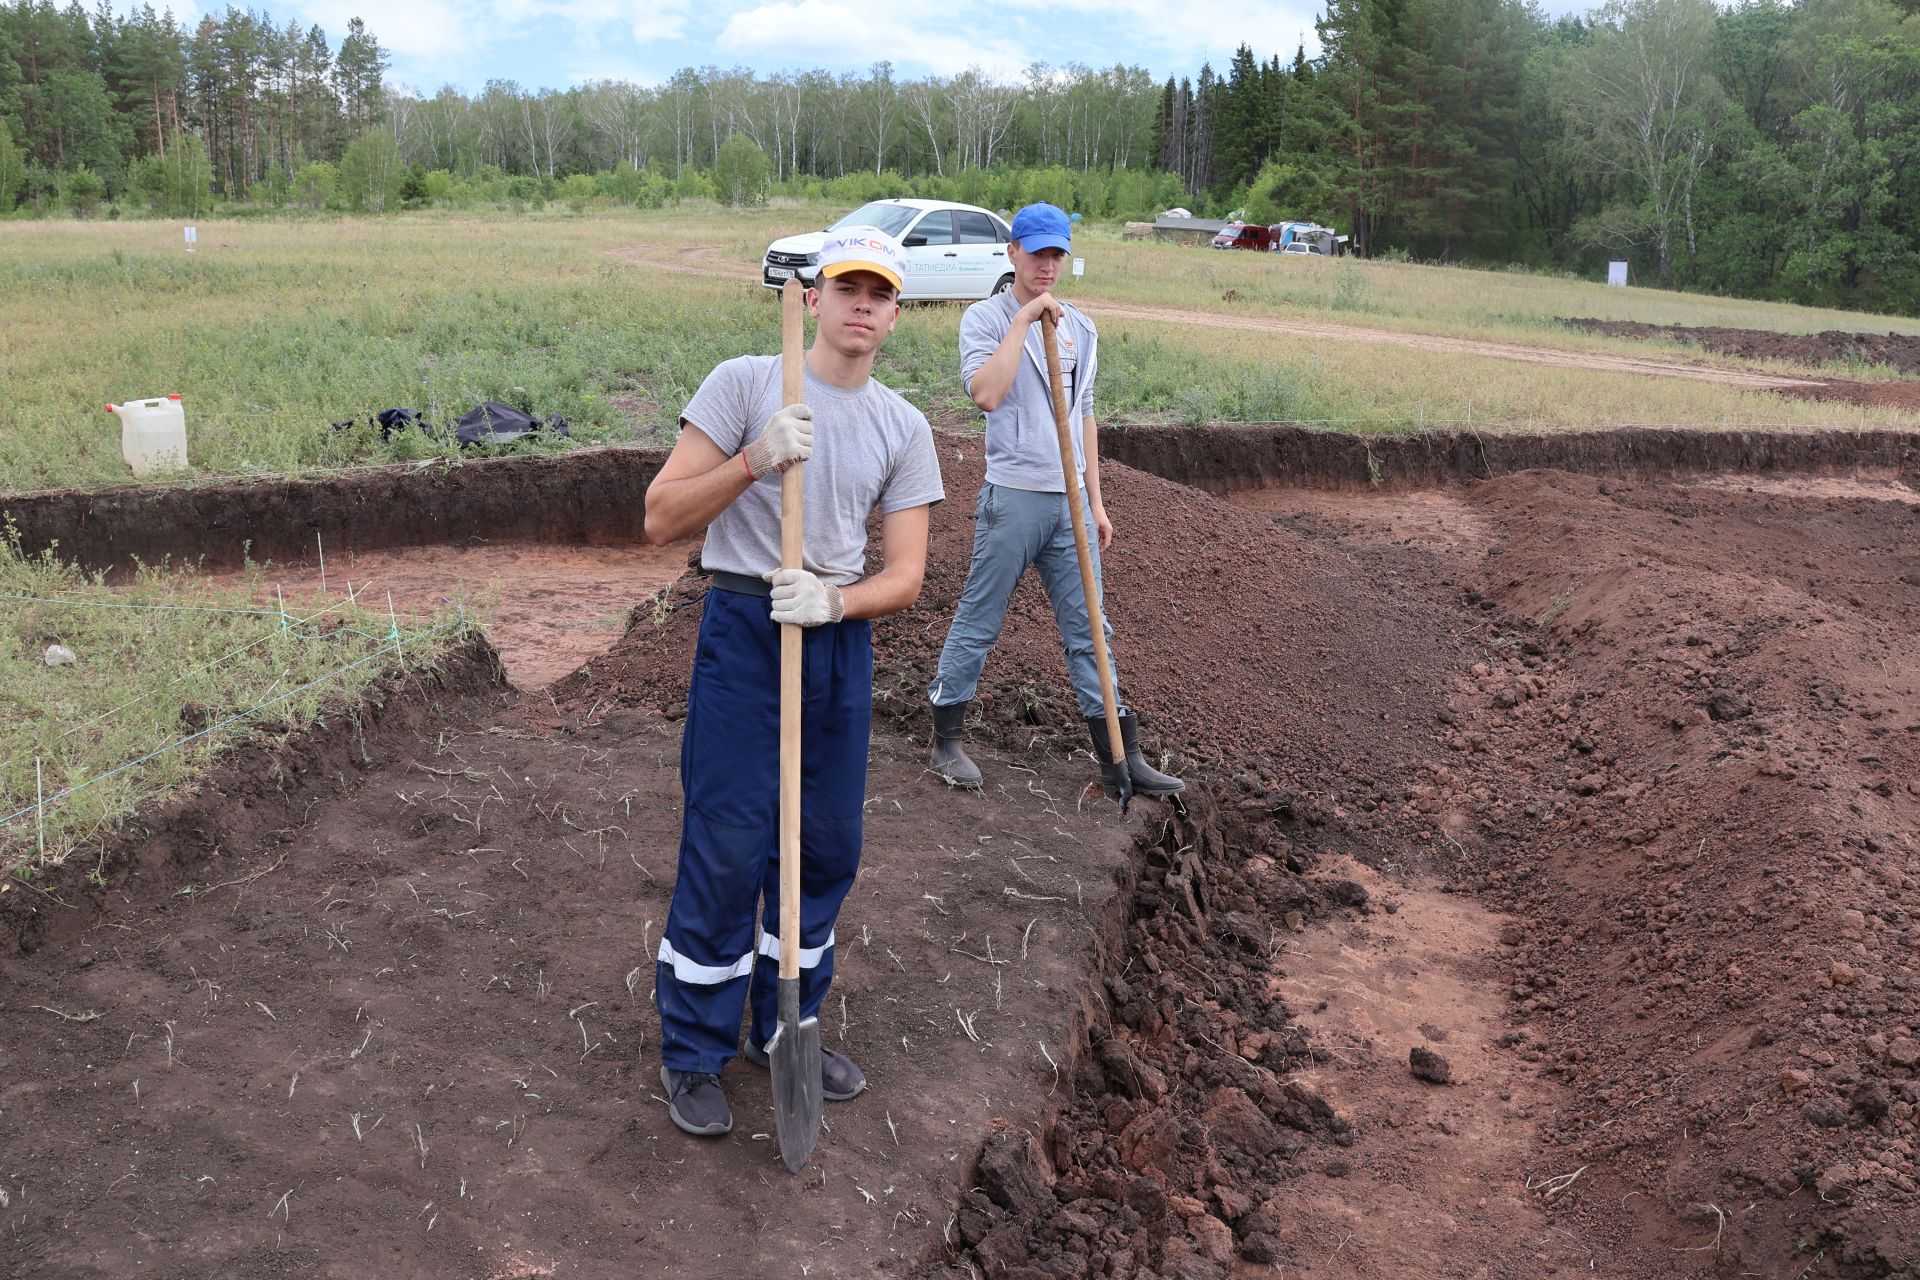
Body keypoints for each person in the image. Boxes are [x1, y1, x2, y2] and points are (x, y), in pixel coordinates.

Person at [640, 227, 943, 1138]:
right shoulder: (743, 385)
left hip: (834, 640)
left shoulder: (903, 426)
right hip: (745, 627)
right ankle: (694, 1048)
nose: (863, 304)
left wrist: (836, 601)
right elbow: (659, 517)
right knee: (731, 840)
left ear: (896, 312)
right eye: (847, 286)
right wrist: (753, 459)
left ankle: (786, 1026)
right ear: (813, 297)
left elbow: (908, 576)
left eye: (880, 293)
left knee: (824, 845)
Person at [925, 202, 1183, 800]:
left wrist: (1095, 502)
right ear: (1012, 252)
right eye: (1036, 252)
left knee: (1091, 629)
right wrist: (1023, 323)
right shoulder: (984, 320)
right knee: (979, 619)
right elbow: (986, 394)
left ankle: (1121, 758)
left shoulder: (1082, 330)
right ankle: (946, 736)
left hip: (1068, 506)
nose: (1046, 265)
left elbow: (1085, 417)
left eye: (1056, 254)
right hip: (1012, 498)